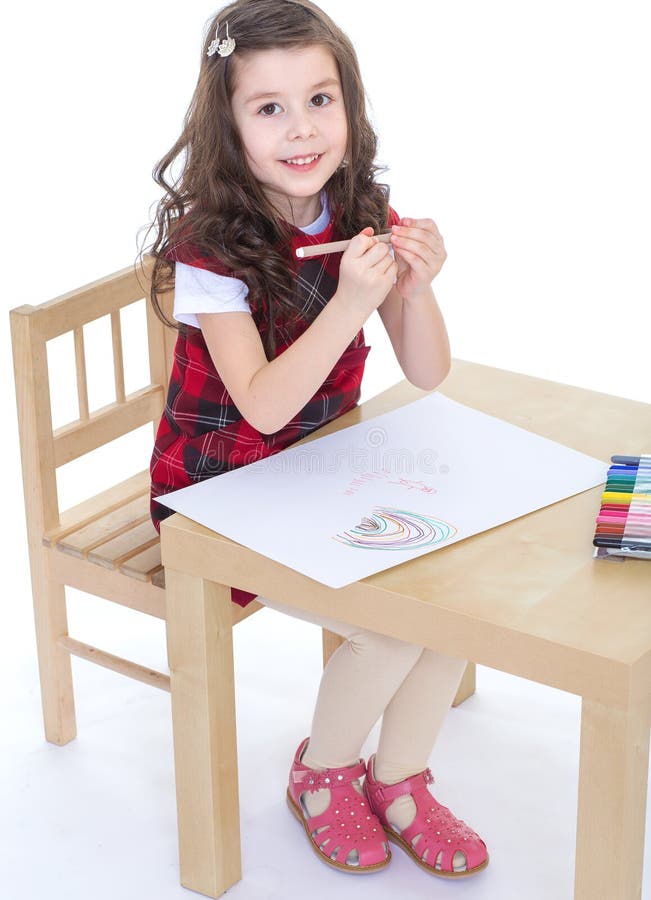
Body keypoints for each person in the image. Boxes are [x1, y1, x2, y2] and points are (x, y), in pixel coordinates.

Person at [144, 0, 488, 878]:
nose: (301, 130)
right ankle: (322, 771)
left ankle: (400, 777)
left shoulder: (358, 204)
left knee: (454, 600)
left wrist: (414, 288)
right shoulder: (209, 249)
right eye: (269, 108)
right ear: (228, 121)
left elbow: (428, 374)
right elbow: (258, 408)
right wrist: (348, 304)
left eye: (319, 99)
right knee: (387, 629)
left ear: (350, 104)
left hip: (321, 468)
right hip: (222, 489)